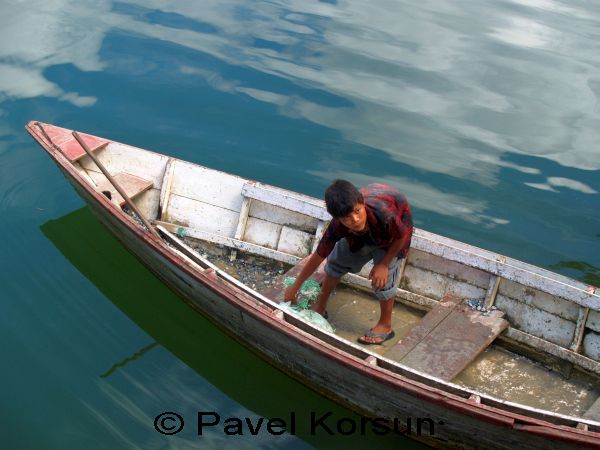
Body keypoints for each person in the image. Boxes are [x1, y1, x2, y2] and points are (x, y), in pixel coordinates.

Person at [284, 179, 413, 345]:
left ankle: (385, 325)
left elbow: (401, 236)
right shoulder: (338, 226)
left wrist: (384, 264)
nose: (355, 219)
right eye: (346, 218)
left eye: (357, 211)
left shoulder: (385, 213)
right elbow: (319, 255)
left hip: (391, 238)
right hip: (357, 236)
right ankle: (320, 305)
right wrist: (295, 287)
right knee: (336, 261)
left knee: (383, 280)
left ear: (362, 203)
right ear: (337, 218)